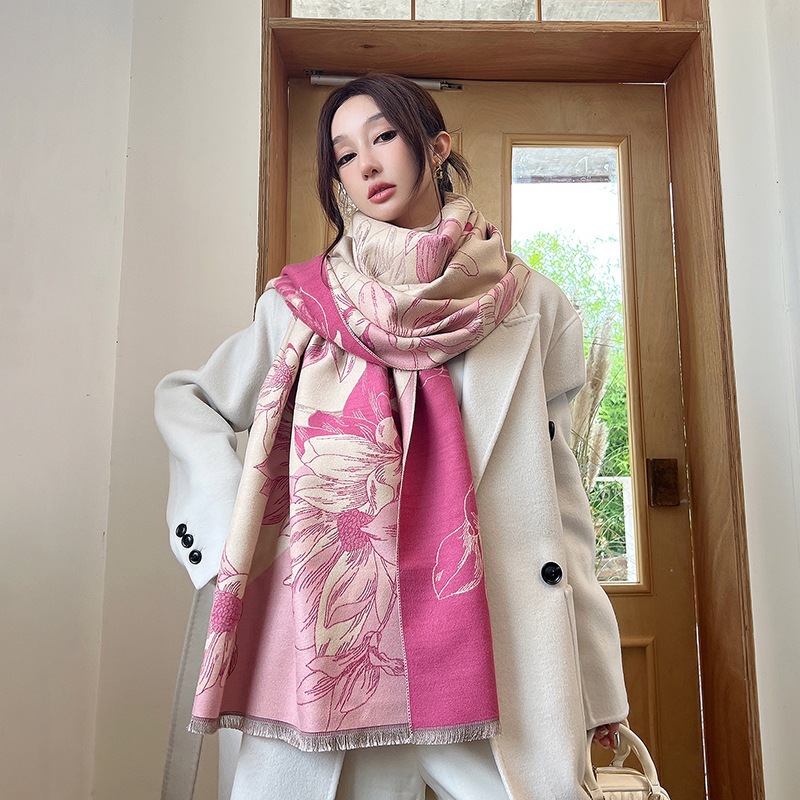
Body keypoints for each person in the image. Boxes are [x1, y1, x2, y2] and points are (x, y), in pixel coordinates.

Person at [155, 73, 627, 800]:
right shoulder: (302, 305)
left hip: (487, 654)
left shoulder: (531, 304)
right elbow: (189, 400)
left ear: (436, 147)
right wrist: (233, 536)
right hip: (334, 650)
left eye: (383, 137)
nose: (367, 164)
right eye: (345, 155)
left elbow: (563, 513)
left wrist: (601, 688)